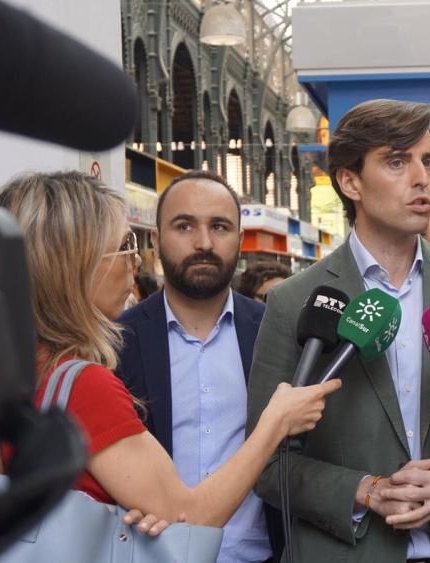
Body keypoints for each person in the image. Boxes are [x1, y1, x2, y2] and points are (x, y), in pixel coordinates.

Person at [0, 171, 339, 545]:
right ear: (77, 263)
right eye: (125, 245)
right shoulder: (85, 381)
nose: (135, 263)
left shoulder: (18, 360)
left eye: (220, 226)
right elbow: (187, 520)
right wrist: (276, 421)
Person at [245, 99, 430, 562]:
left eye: (427, 161)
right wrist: (364, 490)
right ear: (350, 181)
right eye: (396, 161)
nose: (422, 178)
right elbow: (266, 463)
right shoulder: (295, 301)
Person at [116, 170, 291, 562]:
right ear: (156, 241)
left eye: (220, 226)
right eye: (184, 226)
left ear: (240, 241)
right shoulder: (116, 342)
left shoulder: (276, 334)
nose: (204, 243)